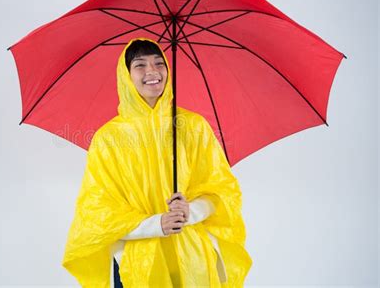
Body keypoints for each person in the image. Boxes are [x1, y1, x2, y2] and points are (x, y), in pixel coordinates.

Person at [62, 37, 252, 287]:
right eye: (140, 65)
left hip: (191, 259)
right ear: (126, 76)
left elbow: (222, 192)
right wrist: (157, 224)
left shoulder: (193, 127)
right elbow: (98, 214)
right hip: (138, 267)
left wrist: (190, 211)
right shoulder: (108, 139)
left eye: (159, 63)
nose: (152, 71)